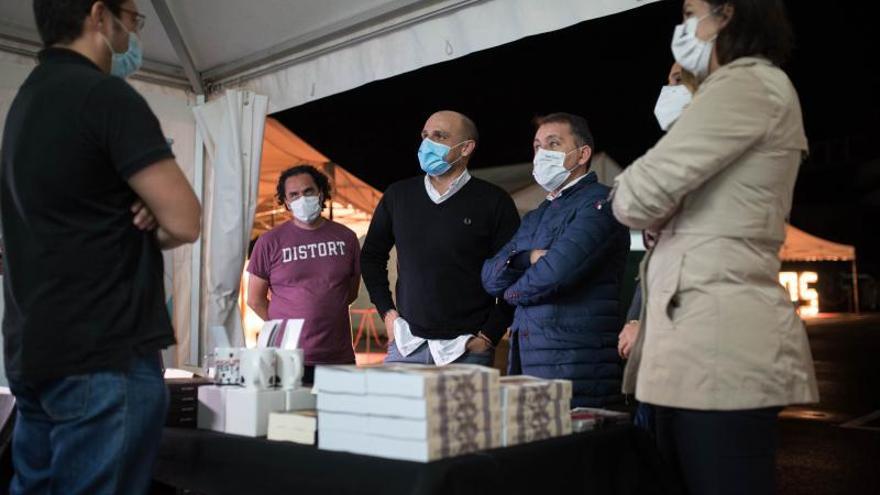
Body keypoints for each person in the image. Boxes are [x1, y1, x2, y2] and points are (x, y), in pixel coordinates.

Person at [611, 1, 819, 493]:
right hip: (698, 348)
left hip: (717, 350)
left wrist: (690, 108)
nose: (683, 28)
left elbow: (634, 198)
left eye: (691, 12)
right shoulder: (743, 91)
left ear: (728, 15)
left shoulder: (746, 83)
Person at [0, 1, 201, 493]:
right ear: (99, 15)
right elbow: (186, 219)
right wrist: (150, 214)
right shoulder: (104, 95)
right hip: (104, 352)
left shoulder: (25, 104)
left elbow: (73, 211)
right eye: (132, 18)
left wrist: (134, 203)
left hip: (35, 351)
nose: (133, 33)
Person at [482, 112, 630, 407]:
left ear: (582, 154)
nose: (542, 153)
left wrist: (511, 293)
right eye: (537, 146)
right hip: (529, 357)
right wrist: (526, 258)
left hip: (576, 362)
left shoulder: (601, 203)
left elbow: (556, 273)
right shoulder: (538, 215)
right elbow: (489, 276)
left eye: (553, 143)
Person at [360, 110, 520, 366]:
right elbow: (370, 257)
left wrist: (490, 334)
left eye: (439, 136)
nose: (427, 143)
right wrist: (388, 313)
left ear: (466, 147)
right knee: (395, 408)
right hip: (406, 346)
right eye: (425, 135)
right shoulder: (398, 195)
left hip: (466, 349)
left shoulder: (494, 201)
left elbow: (516, 271)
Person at [246, 165, 360, 383]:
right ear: (286, 202)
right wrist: (285, 328)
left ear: (321, 193)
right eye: (294, 195)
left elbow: (350, 293)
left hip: (338, 357)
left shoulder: (347, 238)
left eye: (308, 191)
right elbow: (254, 299)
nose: (302, 198)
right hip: (288, 358)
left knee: (339, 416)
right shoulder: (269, 242)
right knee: (291, 418)